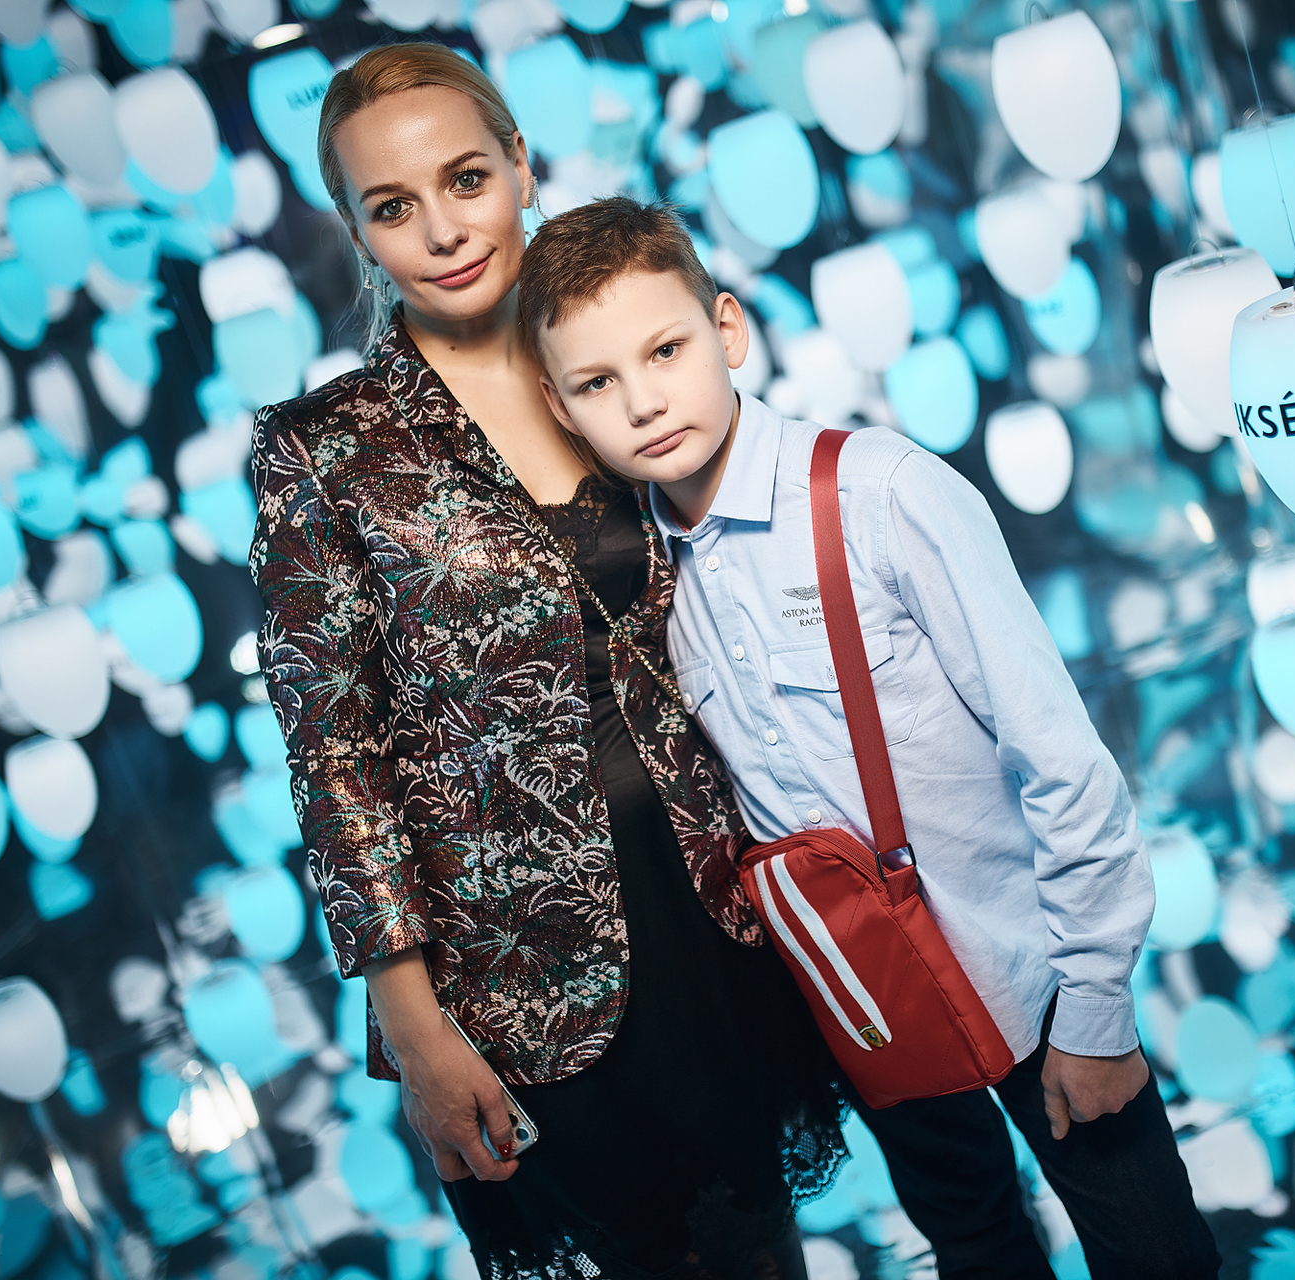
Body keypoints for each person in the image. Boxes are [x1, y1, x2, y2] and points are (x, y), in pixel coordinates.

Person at [519, 196, 1224, 1280]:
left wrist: (1095, 1008)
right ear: (562, 411)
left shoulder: (879, 493)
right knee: (977, 1249)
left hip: (1031, 973)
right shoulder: (647, 583)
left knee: (1158, 1257)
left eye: (664, 350)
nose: (644, 401)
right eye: (597, 382)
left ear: (727, 329)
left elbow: (1061, 760)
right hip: (872, 1005)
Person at [247, 44, 845, 1280]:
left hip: (720, 900)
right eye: (392, 206)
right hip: (517, 967)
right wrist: (413, 1024)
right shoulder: (324, 450)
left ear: (520, 164)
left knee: (763, 1250)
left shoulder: (623, 354)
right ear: (356, 231)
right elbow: (332, 754)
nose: (442, 230)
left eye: (466, 178)